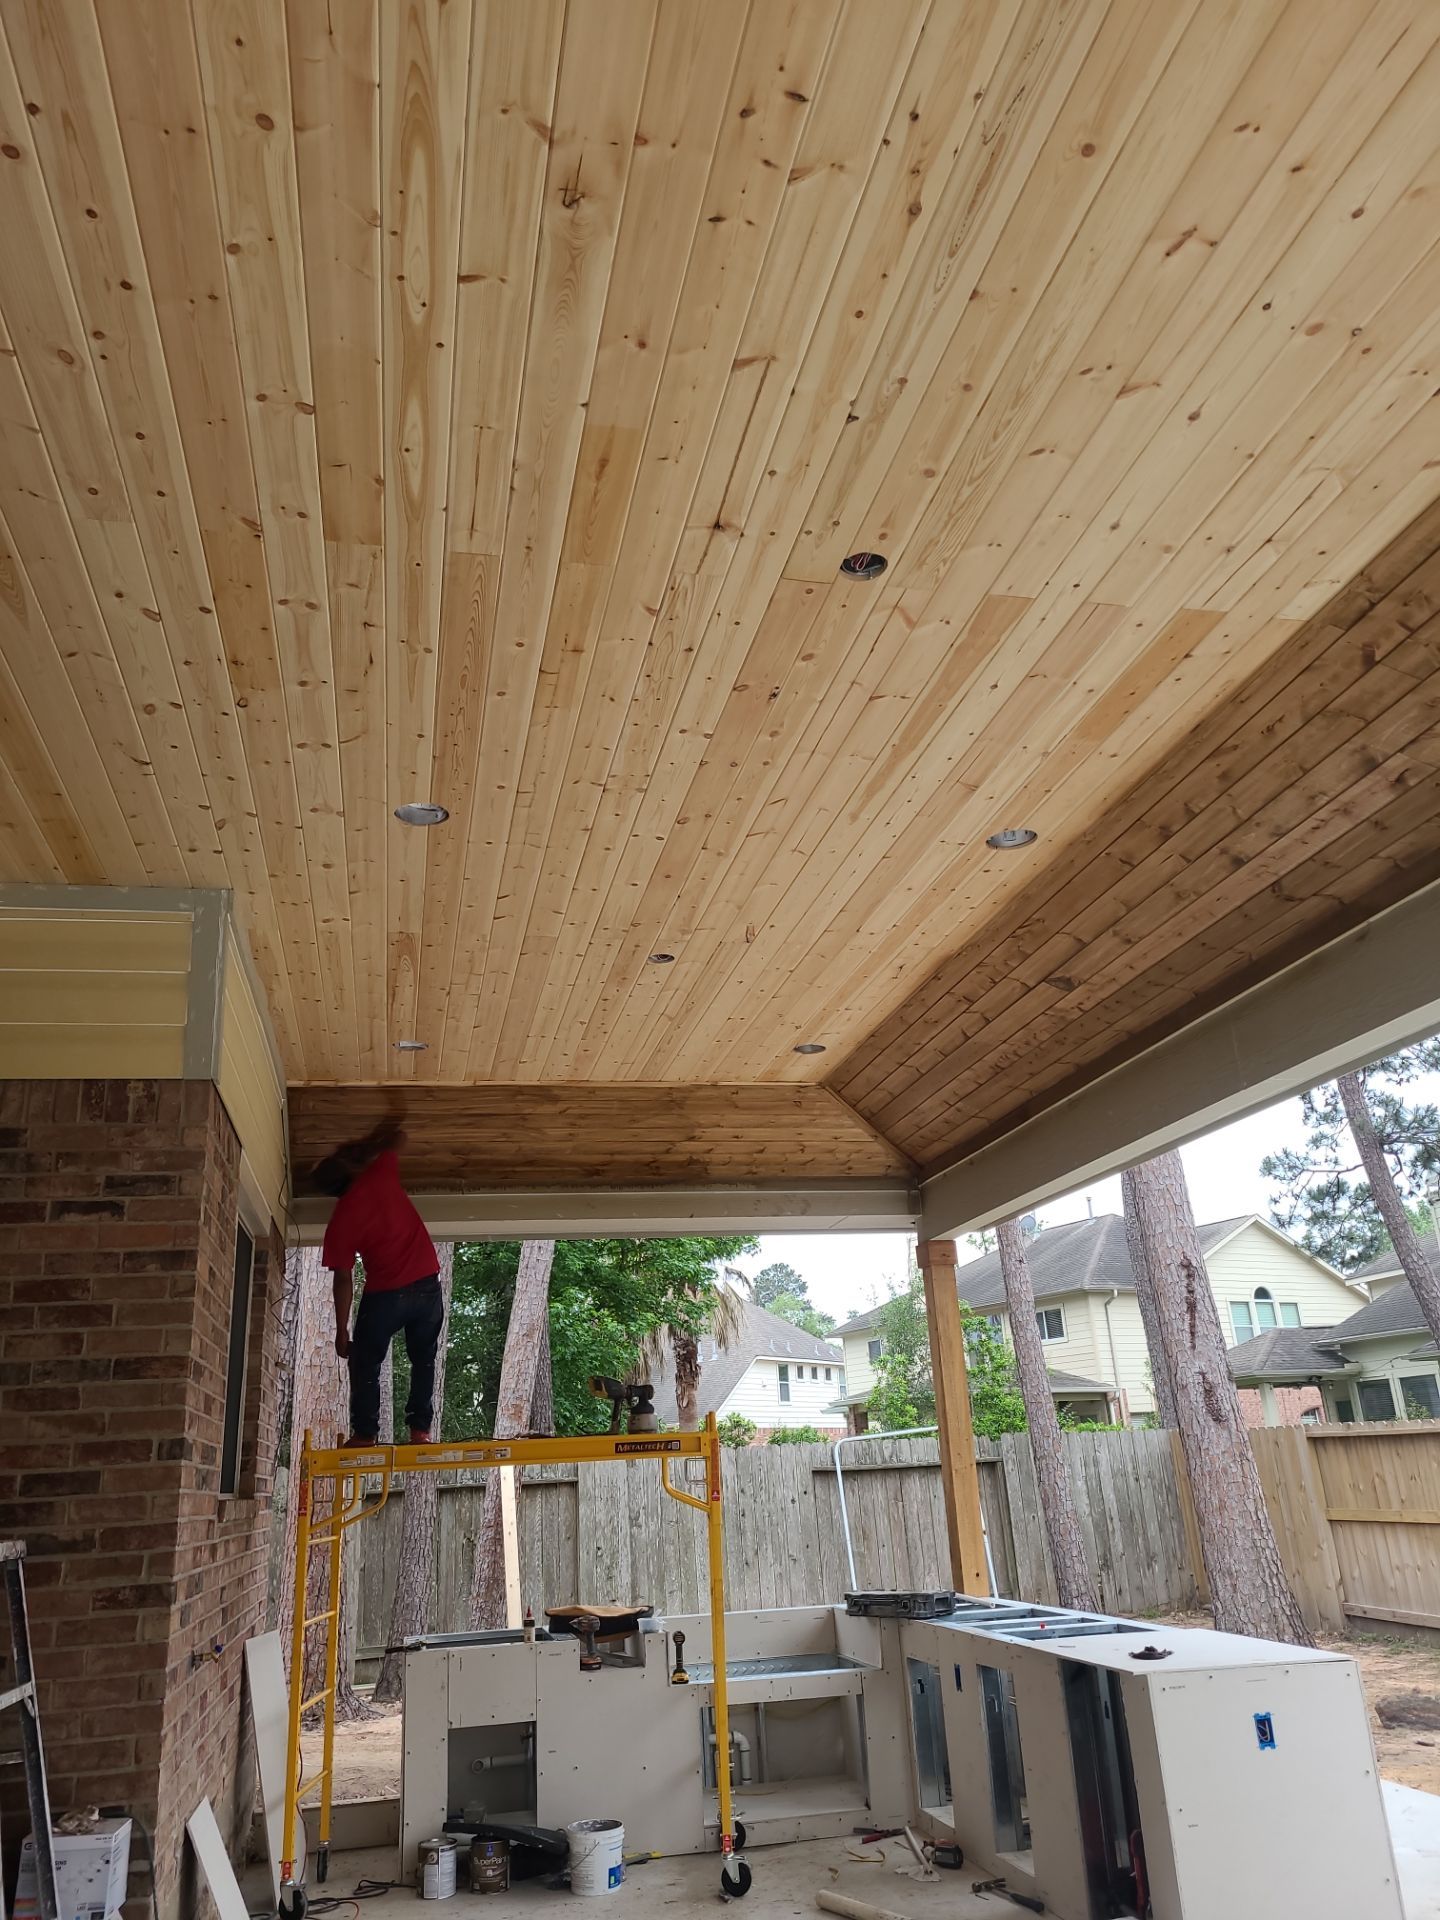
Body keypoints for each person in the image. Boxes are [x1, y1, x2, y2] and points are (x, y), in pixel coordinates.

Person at [313, 1119, 444, 1446]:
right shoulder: (380, 1174)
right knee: (423, 1358)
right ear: (350, 1170)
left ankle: (365, 1433)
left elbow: (344, 1279)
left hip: (387, 1294)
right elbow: (398, 1136)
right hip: (427, 1284)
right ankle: (420, 1431)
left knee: (366, 1361)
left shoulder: (340, 1221)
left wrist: (342, 1330)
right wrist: (366, 1147)